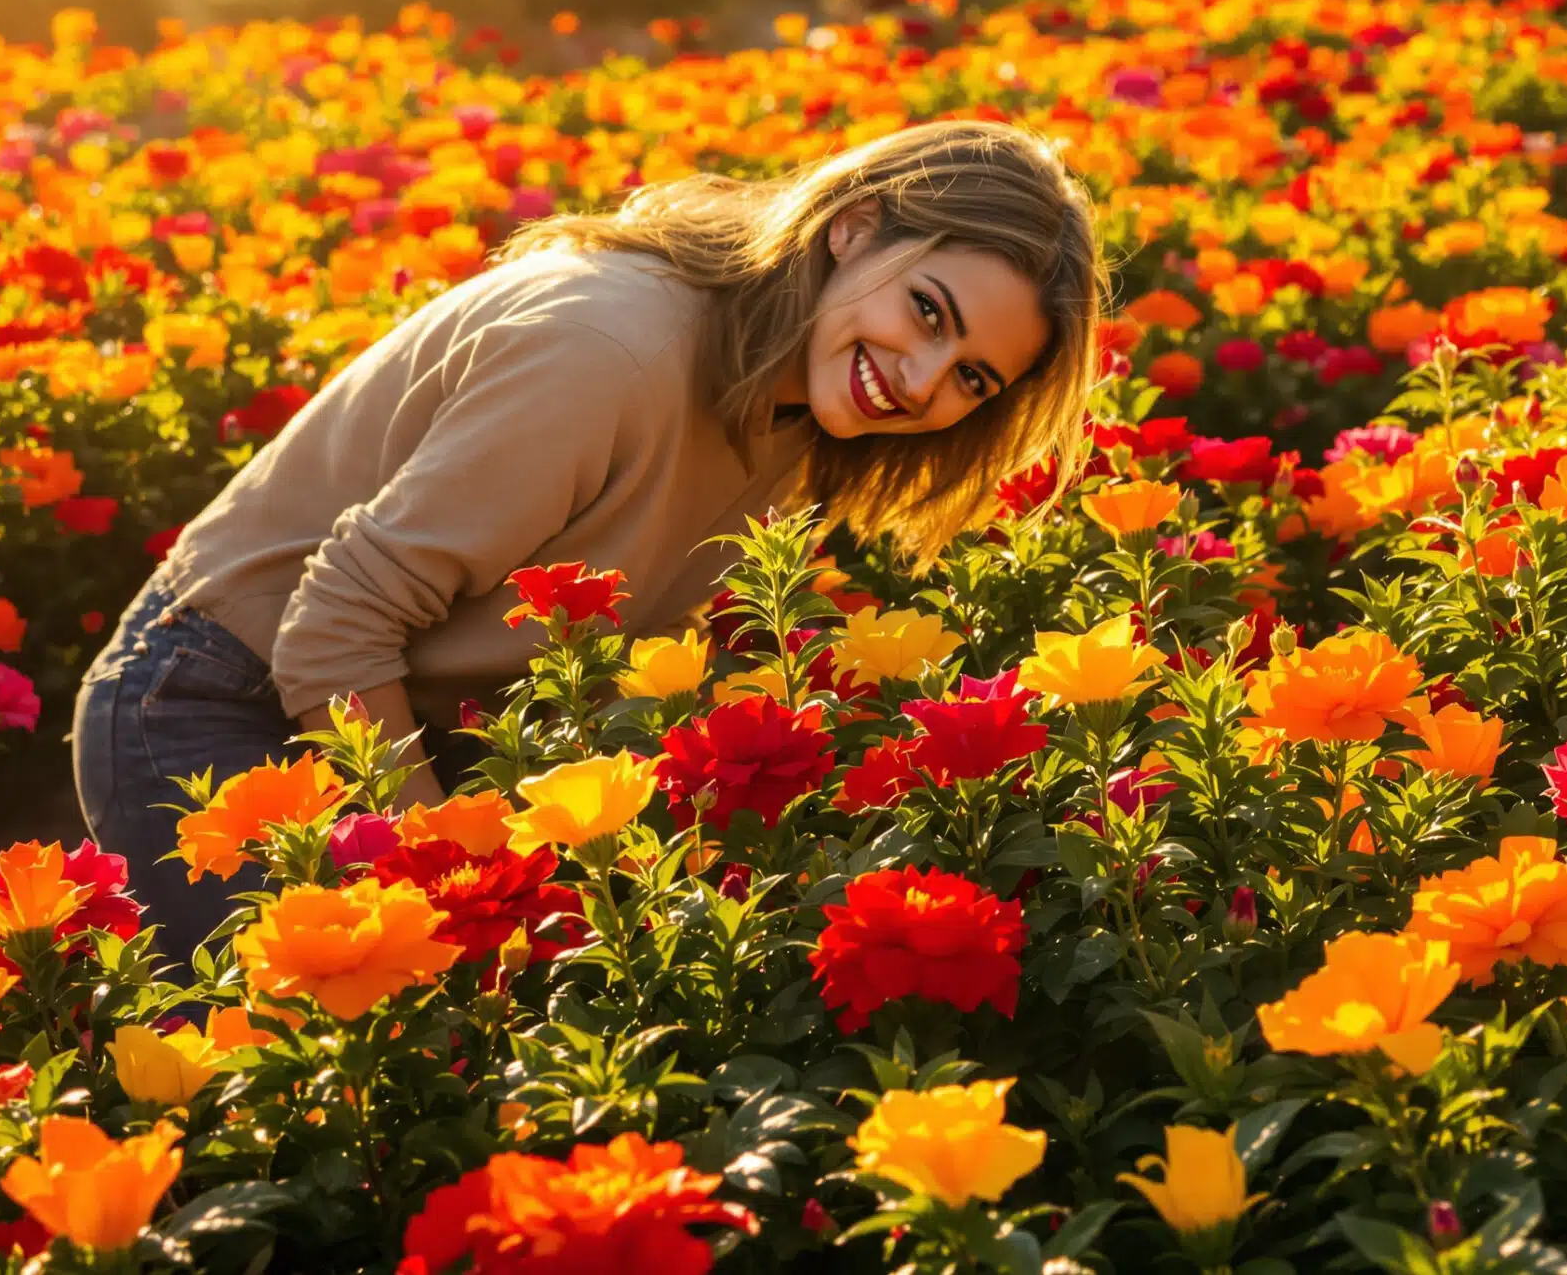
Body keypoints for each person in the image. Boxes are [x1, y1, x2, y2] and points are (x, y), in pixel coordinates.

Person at [71, 119, 1101, 955]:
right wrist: (452, 876)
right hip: (214, 700)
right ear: (855, 225)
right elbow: (335, 626)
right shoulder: (606, 352)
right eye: (928, 311)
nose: (922, 382)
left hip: (400, 722)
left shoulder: (801, 403)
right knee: (311, 1063)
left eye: (972, 376)